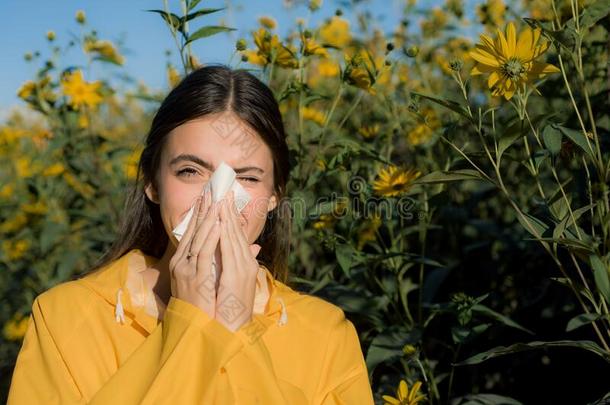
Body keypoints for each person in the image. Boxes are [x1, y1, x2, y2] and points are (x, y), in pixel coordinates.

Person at [7, 64, 375, 404]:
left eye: (246, 178)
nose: (218, 199)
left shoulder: (327, 336)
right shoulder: (64, 318)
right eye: (190, 171)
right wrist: (189, 324)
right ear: (152, 183)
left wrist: (236, 329)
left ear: (275, 195)